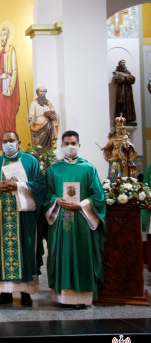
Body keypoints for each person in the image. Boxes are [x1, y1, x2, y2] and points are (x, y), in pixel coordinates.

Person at [0, 131, 46, 306]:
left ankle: (26, 293)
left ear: (19, 142)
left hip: (24, 218)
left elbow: (40, 186)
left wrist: (18, 185)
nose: (8, 144)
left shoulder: (30, 161)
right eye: (5, 141)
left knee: (26, 250)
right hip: (1, 218)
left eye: (11, 140)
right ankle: (5, 292)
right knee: (2, 253)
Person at [45, 130, 107, 308]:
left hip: (82, 221)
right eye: (66, 143)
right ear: (61, 146)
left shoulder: (88, 168)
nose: (70, 146)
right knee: (62, 256)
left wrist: (81, 205)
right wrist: (56, 200)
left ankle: (82, 298)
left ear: (79, 145)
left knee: (82, 255)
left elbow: (99, 196)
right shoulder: (53, 169)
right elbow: (47, 194)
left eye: (73, 143)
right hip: (60, 220)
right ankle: (62, 298)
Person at [0, 27, 20, 150]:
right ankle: (2, 149)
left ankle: (12, 147)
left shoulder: (12, 50)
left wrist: (11, 87)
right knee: (1, 120)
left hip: (9, 91)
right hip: (0, 93)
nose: (2, 38)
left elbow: (15, 71)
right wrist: (0, 77)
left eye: (4, 35)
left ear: (8, 36)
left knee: (9, 119)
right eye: (1, 35)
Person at [101, 115, 137, 181]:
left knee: (123, 170)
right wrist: (104, 148)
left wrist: (126, 146)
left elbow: (130, 146)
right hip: (114, 156)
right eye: (117, 128)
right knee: (114, 168)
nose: (119, 130)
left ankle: (123, 181)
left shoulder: (125, 138)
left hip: (123, 156)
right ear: (115, 129)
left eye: (120, 129)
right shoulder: (113, 138)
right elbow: (109, 146)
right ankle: (113, 181)